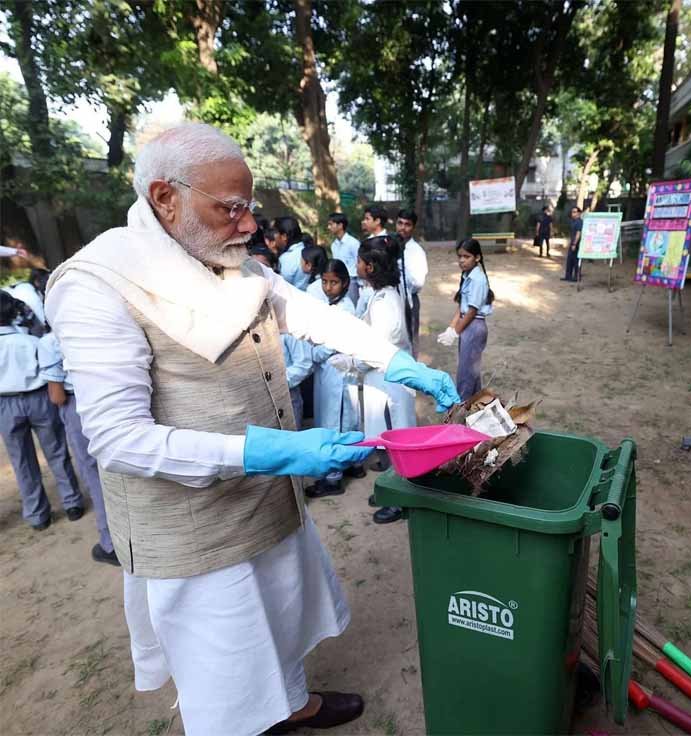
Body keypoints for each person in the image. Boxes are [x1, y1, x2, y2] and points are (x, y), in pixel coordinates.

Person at [45, 122, 460, 736]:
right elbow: (118, 438)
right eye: (231, 208)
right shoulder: (98, 285)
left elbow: (313, 315)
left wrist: (396, 361)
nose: (249, 225)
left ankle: (294, 704)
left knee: (280, 618)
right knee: (228, 666)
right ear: (165, 198)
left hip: (267, 498)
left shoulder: (231, 262)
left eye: (249, 207)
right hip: (194, 528)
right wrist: (265, 450)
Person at [0, 291, 85, 532]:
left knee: (21, 460)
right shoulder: (31, 341)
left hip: (6, 403)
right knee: (57, 452)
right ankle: (72, 502)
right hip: (39, 398)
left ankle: (38, 515)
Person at [37, 330, 119, 564]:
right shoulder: (99, 327)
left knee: (93, 472)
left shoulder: (51, 341)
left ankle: (111, 543)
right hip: (113, 397)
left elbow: (57, 396)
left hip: (78, 404)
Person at [356, 236, 415, 526]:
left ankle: (399, 501)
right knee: (387, 439)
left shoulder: (385, 302)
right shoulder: (381, 294)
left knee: (395, 442)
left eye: (359, 261)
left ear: (370, 266)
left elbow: (377, 348)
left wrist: (352, 361)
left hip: (389, 380)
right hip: (382, 380)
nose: (356, 265)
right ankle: (391, 491)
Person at [305, 259, 366, 498]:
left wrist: (314, 353)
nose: (328, 287)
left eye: (334, 283)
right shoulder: (330, 304)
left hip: (337, 371)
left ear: (345, 283)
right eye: (325, 282)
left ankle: (332, 478)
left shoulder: (345, 308)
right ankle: (353, 463)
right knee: (346, 419)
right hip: (333, 371)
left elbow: (332, 343)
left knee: (334, 422)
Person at [438, 239, 494, 400]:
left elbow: (471, 311)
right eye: (460, 256)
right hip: (468, 323)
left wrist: (456, 332)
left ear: (477, 258)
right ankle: (474, 406)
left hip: (474, 325)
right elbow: (461, 306)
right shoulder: (467, 275)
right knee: (471, 373)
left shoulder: (477, 279)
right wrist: (451, 328)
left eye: (466, 256)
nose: (462, 260)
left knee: (466, 374)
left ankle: (461, 406)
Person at [395, 209, 428, 356]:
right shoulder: (390, 246)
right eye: (400, 223)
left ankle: (412, 367)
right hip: (392, 298)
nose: (402, 228)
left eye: (407, 224)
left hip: (409, 300)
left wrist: (401, 271)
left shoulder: (416, 251)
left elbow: (418, 283)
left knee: (410, 338)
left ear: (413, 228)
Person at [327, 213, 361, 304]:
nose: (328, 227)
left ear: (340, 225)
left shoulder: (353, 243)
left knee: (352, 306)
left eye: (331, 224)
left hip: (351, 281)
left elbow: (359, 262)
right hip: (337, 280)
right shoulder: (334, 245)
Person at [4, 268, 50, 335]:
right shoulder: (28, 292)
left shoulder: (25, 287)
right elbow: (43, 319)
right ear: (37, 281)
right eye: (46, 280)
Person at [276, 216, 309, 289]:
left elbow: (282, 286)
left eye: (276, 233)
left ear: (284, 236)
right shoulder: (307, 250)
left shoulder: (286, 258)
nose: (275, 237)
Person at [562, 206, 583, 282]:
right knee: (569, 260)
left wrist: (574, 244)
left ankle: (576, 277)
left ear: (579, 213)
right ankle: (568, 276)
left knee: (576, 260)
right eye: (572, 212)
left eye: (574, 212)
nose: (573, 213)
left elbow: (578, 234)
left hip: (577, 244)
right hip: (572, 242)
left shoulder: (579, 222)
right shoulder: (573, 221)